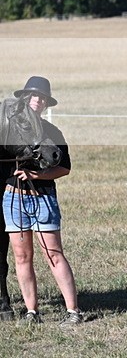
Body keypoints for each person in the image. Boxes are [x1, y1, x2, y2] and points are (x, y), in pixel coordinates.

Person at [1, 76, 83, 326]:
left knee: (53, 254)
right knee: (21, 257)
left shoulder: (52, 131)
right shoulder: (9, 125)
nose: (38, 101)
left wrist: (37, 174)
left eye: (42, 98)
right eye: (34, 96)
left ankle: (73, 312)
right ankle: (31, 312)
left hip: (42, 198)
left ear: (47, 103)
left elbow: (65, 168)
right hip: (13, 199)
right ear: (25, 98)